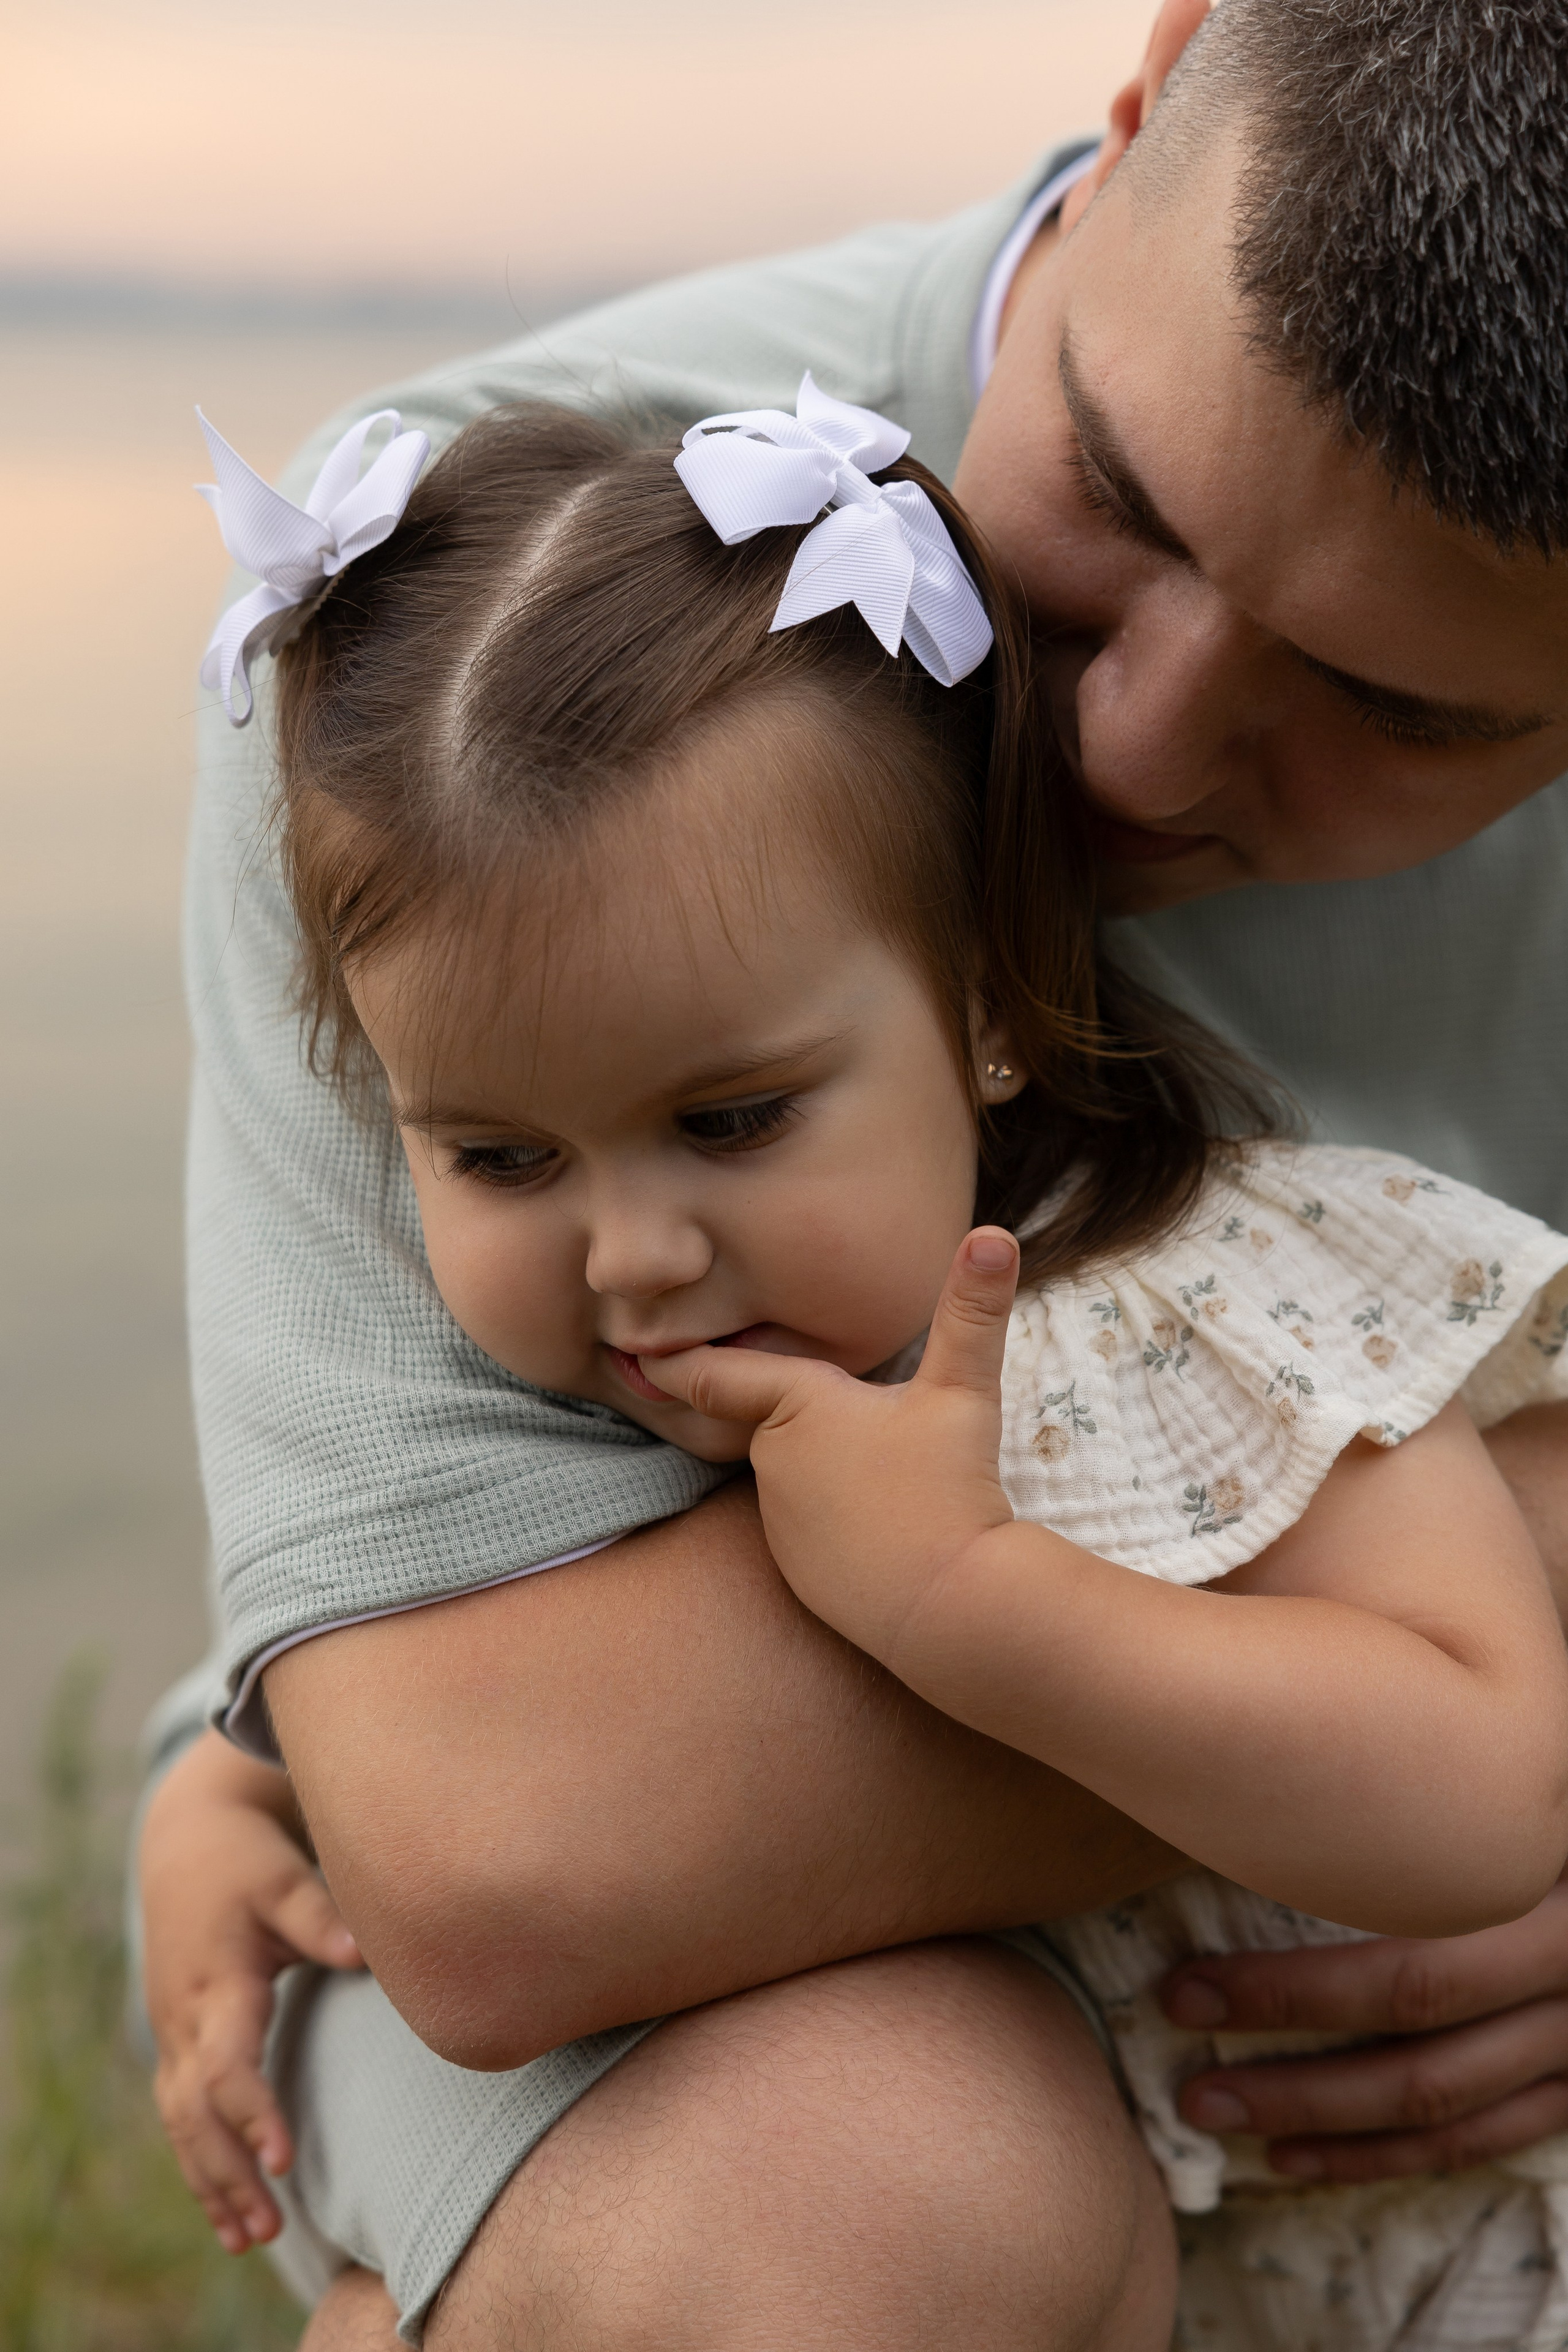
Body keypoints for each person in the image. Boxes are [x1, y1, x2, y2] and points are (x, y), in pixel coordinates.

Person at [138, 0, 1568, 2343]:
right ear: (1150, 83)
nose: (1122, 746)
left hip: (1261, 2051)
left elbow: (1460, 1762)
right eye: (1119, 498)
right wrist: (256, 1750)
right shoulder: (485, 661)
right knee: (895, 2190)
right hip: (675, 2020)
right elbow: (496, 1862)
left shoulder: (1219, 1279)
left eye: (1395, 709)